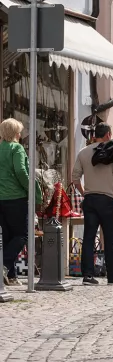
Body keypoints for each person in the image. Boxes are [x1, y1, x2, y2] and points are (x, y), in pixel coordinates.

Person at [73, 123, 113, 285]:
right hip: (109, 199)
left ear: (95, 135)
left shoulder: (83, 152)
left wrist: (85, 193)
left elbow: (75, 178)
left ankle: (88, 275)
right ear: (108, 134)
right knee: (110, 239)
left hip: (90, 199)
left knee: (89, 237)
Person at [0, 118, 41, 286]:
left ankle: (10, 276)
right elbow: (21, 171)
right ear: (15, 133)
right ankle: (3, 266)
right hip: (16, 197)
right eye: (19, 131)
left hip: (1, 198)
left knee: (7, 236)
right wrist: (33, 190)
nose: (20, 134)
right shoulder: (16, 148)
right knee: (22, 235)